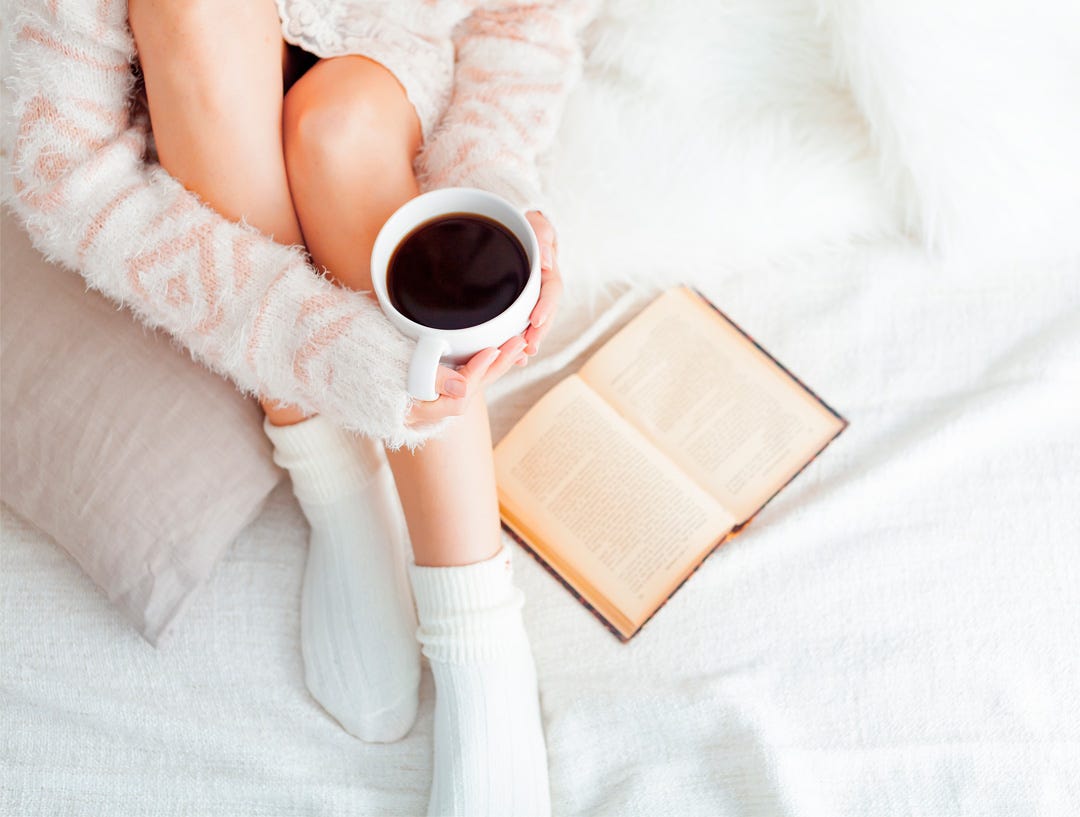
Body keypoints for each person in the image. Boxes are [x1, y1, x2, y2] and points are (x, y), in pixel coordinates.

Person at [5, 0, 595, 813]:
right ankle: (340, 488)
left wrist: (488, 202)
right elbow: (63, 173)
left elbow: (525, 20)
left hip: (381, 77)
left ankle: (479, 635)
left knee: (339, 129)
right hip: (188, 104)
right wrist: (324, 355)